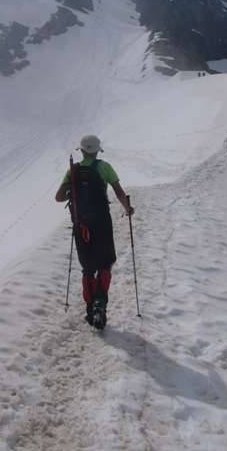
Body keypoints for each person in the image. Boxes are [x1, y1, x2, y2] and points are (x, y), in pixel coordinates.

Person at [55, 135, 134, 328]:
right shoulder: (104, 167)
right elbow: (118, 192)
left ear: (81, 151)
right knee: (105, 263)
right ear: (97, 151)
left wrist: (72, 190)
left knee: (88, 268)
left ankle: (90, 308)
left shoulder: (72, 170)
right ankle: (100, 303)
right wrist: (128, 209)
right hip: (102, 223)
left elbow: (58, 197)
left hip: (81, 226)